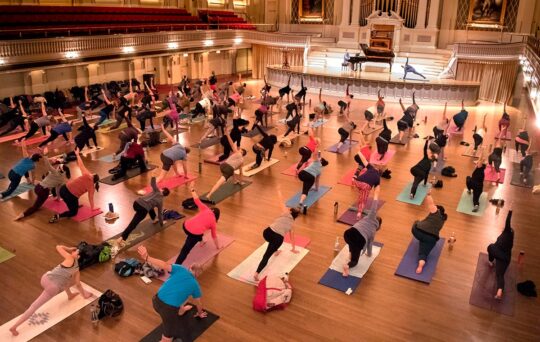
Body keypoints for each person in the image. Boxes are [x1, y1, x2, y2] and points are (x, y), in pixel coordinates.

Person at [9, 245, 92, 337]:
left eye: (76, 251)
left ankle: (70, 295)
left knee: (64, 279)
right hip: (52, 288)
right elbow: (78, 284)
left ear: (78, 256)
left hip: (45, 279)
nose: (74, 251)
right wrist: (84, 295)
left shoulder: (69, 257)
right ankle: (14, 327)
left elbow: (58, 247)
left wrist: (68, 249)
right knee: (34, 306)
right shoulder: (77, 269)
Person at [137, 245, 206, 342]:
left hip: (156, 300)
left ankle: (181, 310)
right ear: (197, 275)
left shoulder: (180, 269)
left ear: (190, 267)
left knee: (182, 294)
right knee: (167, 338)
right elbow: (199, 303)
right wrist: (200, 313)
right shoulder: (195, 285)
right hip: (168, 310)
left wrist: (147, 257)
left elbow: (164, 265)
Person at [112, 177, 169, 255]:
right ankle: (122, 238)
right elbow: (160, 214)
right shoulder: (161, 202)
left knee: (150, 206)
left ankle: (153, 219)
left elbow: (153, 183)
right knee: (133, 224)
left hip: (136, 203)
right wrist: (162, 223)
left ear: (162, 190)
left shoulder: (157, 190)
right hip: (143, 209)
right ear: (165, 196)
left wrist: (153, 176)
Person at [49, 149, 99, 223]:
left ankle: (73, 206)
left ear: (93, 176)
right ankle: (58, 216)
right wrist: (93, 208)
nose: (91, 173)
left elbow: (81, 164)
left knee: (73, 203)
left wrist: (77, 154)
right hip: (70, 196)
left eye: (92, 174)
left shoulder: (87, 175)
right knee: (73, 213)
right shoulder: (91, 187)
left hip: (63, 190)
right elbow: (90, 198)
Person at [175, 183, 220, 265]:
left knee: (200, 232)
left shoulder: (206, 209)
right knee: (185, 250)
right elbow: (214, 236)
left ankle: (201, 241)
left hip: (185, 225)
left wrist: (192, 189)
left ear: (211, 210)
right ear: (217, 217)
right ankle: (176, 265)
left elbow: (196, 200)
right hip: (194, 234)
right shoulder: (213, 222)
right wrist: (218, 247)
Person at [254, 202, 300, 281]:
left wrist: (278, 190)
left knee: (272, 244)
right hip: (277, 239)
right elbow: (292, 238)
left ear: (290, 211)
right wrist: (293, 248)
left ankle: (275, 251)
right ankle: (256, 273)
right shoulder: (292, 225)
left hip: (267, 233)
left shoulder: (285, 213)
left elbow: (281, 202)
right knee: (267, 255)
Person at [343, 185, 382, 277]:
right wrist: (369, 254)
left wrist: (376, 194)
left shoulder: (369, 217)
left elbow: (374, 208)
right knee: (354, 261)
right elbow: (369, 244)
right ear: (379, 225)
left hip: (348, 233)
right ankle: (347, 266)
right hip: (359, 239)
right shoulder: (373, 231)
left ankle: (351, 253)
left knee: (351, 242)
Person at [411, 191, 447, 274]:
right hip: (431, 239)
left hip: (418, 231)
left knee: (416, 222)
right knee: (423, 254)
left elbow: (431, 203)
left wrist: (428, 194)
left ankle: (421, 238)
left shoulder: (436, 212)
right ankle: (420, 266)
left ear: (438, 209)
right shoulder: (442, 221)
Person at [206, 132, 247, 200]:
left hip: (223, 165)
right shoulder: (242, 161)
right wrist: (241, 181)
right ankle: (209, 195)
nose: (239, 149)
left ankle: (234, 181)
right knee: (219, 183)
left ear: (242, 152)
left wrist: (227, 134)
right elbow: (241, 172)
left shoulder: (238, 153)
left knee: (231, 170)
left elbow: (231, 143)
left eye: (240, 150)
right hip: (228, 170)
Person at [487, 207, 514, 299]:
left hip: (497, 252)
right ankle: (499, 291)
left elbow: (507, 221)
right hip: (505, 258)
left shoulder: (507, 232)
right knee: (500, 275)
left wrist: (510, 211)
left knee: (490, 247)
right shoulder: (510, 241)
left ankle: (491, 261)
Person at [352, 147, 380, 219]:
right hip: (366, 186)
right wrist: (375, 200)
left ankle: (353, 179)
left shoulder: (371, 167)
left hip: (357, 182)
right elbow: (376, 191)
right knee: (363, 200)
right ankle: (359, 213)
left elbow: (363, 160)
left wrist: (358, 152)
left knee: (360, 188)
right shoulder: (378, 178)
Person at [466, 146, 487, 212]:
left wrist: (483, 150)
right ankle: (476, 205)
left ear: (480, 165)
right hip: (479, 188)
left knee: (468, 178)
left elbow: (480, 159)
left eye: (478, 163)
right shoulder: (482, 170)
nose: (477, 163)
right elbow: (481, 160)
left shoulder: (479, 168)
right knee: (475, 199)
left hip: (473, 184)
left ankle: (469, 190)